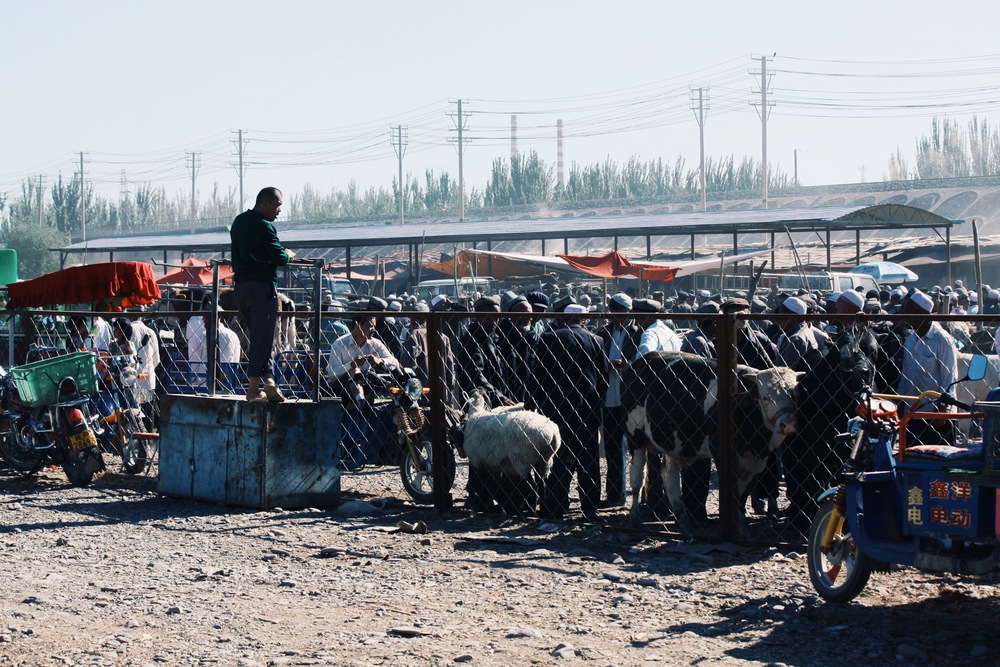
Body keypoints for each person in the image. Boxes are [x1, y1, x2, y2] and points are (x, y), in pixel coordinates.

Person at [528, 296, 608, 522]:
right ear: (583, 319)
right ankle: (589, 507)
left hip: (557, 410)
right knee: (589, 460)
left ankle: (554, 505)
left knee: (558, 458)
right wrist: (597, 405)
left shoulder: (549, 338)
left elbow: (538, 374)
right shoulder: (597, 340)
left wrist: (531, 404)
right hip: (587, 410)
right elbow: (602, 379)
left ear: (563, 318)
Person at [230, 186, 294, 403]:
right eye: (277, 206)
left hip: (240, 289)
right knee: (262, 338)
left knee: (260, 337)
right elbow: (279, 257)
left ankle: (269, 381)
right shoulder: (264, 226)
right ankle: (254, 388)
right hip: (261, 287)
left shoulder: (239, 221)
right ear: (265, 203)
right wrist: (288, 254)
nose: (279, 211)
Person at [594, 293, 641, 507]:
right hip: (610, 397)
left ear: (629, 313)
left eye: (622, 314)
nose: (618, 318)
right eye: (614, 314)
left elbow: (643, 361)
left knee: (637, 449)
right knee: (613, 448)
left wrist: (626, 364)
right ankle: (615, 495)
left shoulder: (638, 333)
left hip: (633, 400)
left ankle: (642, 495)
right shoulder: (602, 333)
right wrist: (607, 365)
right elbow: (595, 359)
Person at [327, 314, 400, 406]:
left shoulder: (376, 343)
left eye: (374, 326)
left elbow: (394, 362)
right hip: (340, 385)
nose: (373, 329)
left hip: (366, 382)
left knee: (393, 374)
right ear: (358, 325)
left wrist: (380, 360)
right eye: (370, 326)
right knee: (354, 370)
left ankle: (398, 405)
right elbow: (332, 373)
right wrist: (351, 365)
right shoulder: (339, 344)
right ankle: (361, 401)